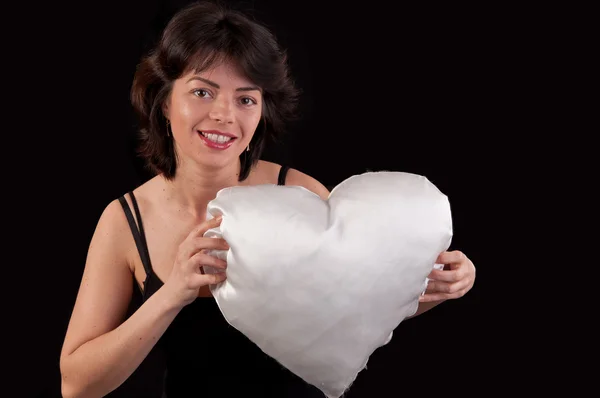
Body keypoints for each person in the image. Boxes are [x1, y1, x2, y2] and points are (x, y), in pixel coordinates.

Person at [59, 1, 477, 397]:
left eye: (245, 99)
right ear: (165, 101)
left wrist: (436, 288)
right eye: (202, 92)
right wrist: (175, 292)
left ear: (261, 113)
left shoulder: (299, 195)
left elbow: (351, 313)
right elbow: (77, 385)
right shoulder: (125, 221)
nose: (225, 114)